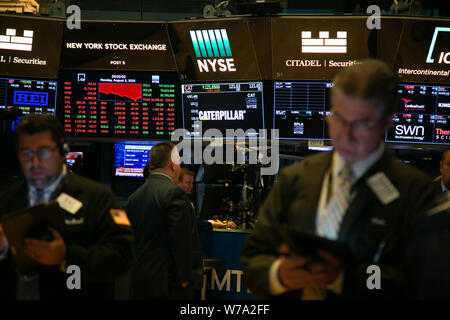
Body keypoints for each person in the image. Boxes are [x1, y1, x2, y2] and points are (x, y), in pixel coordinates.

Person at [240, 59, 438, 299]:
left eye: (362, 124)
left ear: (386, 123)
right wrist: (279, 275)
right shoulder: (295, 178)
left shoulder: (416, 192)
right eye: (339, 119)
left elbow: (425, 284)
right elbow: (252, 263)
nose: (345, 135)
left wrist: (345, 277)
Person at [0, 114, 134, 300]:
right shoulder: (8, 200)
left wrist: (65, 257)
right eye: (26, 153)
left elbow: (122, 256)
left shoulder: (97, 198)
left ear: (62, 150)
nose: (35, 162)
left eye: (44, 151)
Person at [126, 143, 202, 299]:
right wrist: (186, 278)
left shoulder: (133, 197)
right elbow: (182, 240)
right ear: (172, 164)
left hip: (140, 281)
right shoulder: (174, 193)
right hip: (169, 285)